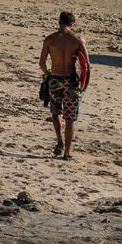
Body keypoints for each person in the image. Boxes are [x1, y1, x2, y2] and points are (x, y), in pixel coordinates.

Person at [39, 11, 89, 159]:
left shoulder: (49, 39)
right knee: (70, 118)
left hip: (54, 80)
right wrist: (84, 85)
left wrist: (48, 74)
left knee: (55, 112)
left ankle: (59, 141)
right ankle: (67, 153)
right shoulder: (78, 40)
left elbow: (41, 63)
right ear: (72, 24)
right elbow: (86, 66)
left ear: (59, 22)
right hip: (71, 82)